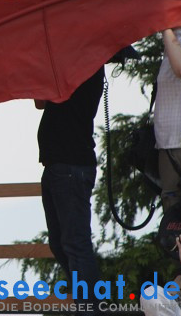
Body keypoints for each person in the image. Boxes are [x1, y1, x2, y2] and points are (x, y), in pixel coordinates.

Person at [35, 67, 105, 316]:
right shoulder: (65, 63)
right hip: (58, 164)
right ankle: (86, 304)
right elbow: (39, 101)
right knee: (60, 243)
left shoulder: (83, 67)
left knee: (75, 243)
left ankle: (89, 308)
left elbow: (45, 96)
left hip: (70, 165)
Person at [155, 28, 181, 210]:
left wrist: (164, 25)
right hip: (168, 144)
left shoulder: (174, 39)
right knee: (173, 219)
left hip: (179, 143)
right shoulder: (170, 43)